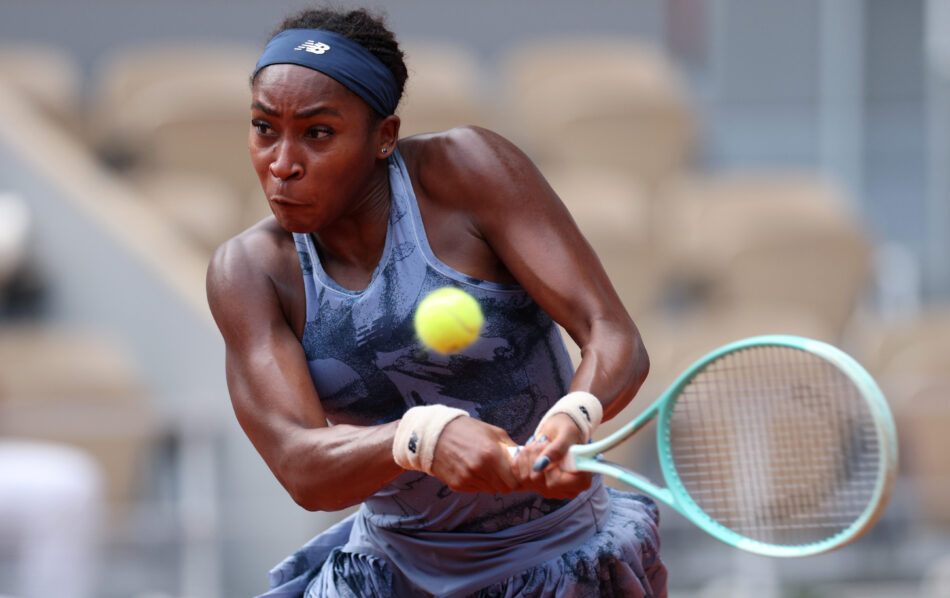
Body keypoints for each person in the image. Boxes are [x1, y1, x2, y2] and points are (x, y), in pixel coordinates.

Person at [206, 6, 667, 597]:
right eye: (264, 128)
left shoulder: (468, 170)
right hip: (387, 575)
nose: (282, 163)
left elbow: (612, 333)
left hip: (560, 559)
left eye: (318, 133)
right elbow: (302, 467)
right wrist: (423, 437)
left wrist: (573, 418)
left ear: (384, 137)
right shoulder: (249, 272)